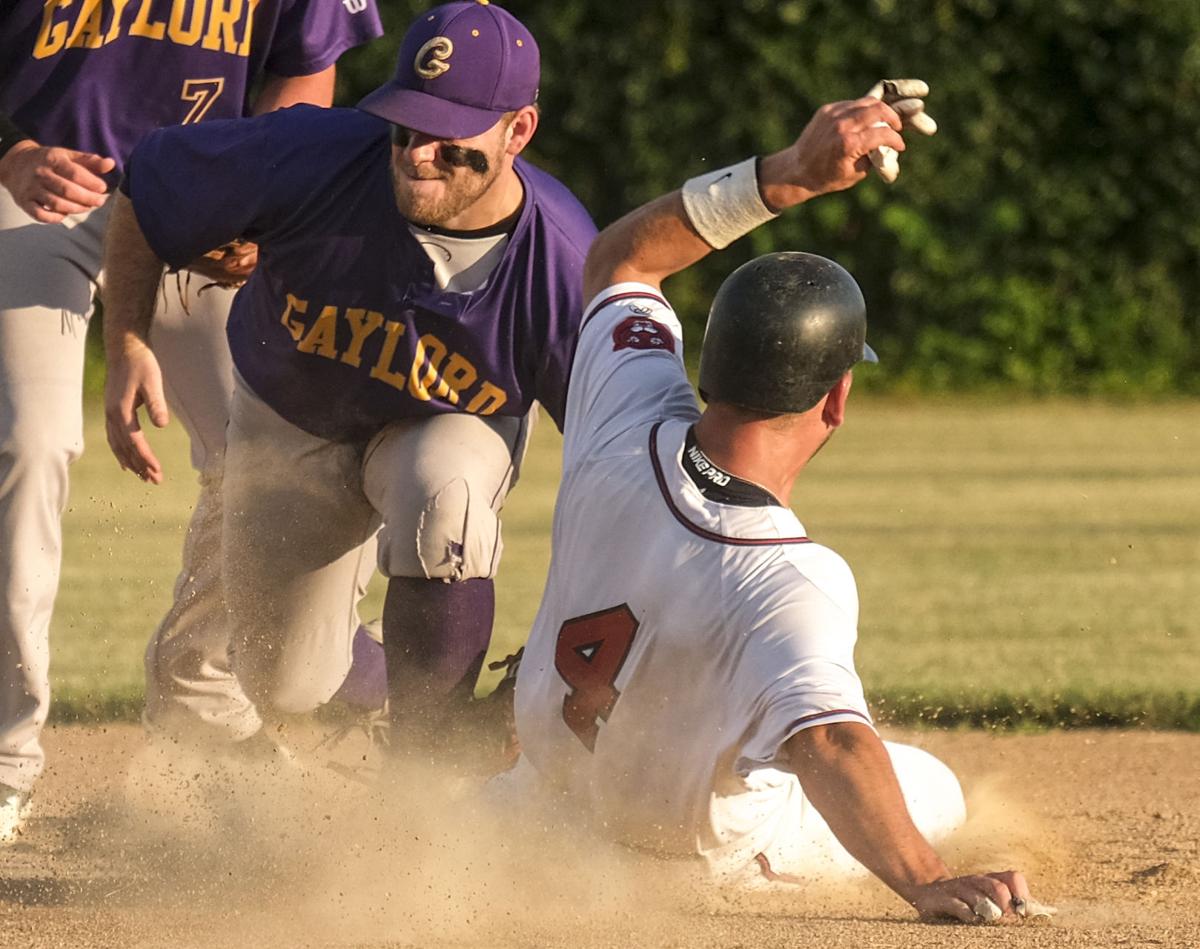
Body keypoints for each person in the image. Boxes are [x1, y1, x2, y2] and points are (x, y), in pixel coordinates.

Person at [505, 86, 1053, 922]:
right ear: (836, 399)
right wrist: (925, 876)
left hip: (534, 805)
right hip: (680, 868)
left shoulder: (622, 410)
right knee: (931, 784)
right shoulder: (792, 576)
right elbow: (829, 740)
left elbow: (621, 259)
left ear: (708, 363)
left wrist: (788, 174)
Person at [102, 2, 597, 772]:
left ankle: (427, 770)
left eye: (449, 132)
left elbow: (614, 460)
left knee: (448, 496)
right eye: (407, 123)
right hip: (291, 420)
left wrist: (572, 640)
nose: (419, 152)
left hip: (444, 429)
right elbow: (151, 179)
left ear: (517, 131)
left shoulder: (561, 264)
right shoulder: (313, 155)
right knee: (287, 681)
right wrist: (128, 338)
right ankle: (393, 678)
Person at [0, 0, 383, 841]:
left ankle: (201, 697)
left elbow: (303, 67)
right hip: (38, 187)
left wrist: (259, 189)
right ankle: (4, 758)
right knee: (28, 440)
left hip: (208, 192)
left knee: (288, 441)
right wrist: (14, 153)